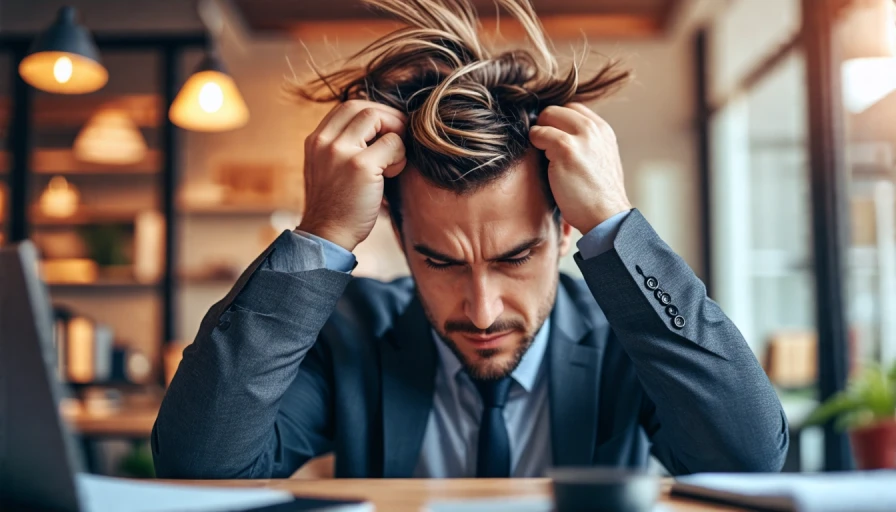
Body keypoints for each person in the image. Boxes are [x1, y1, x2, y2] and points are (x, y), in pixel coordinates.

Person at [152, 0, 788, 479]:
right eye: (440, 259)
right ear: (399, 237)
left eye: (516, 257)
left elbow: (748, 458)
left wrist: (616, 224)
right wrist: (321, 233)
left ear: (564, 228)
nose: (481, 310)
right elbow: (199, 467)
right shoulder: (351, 336)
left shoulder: (628, 340)